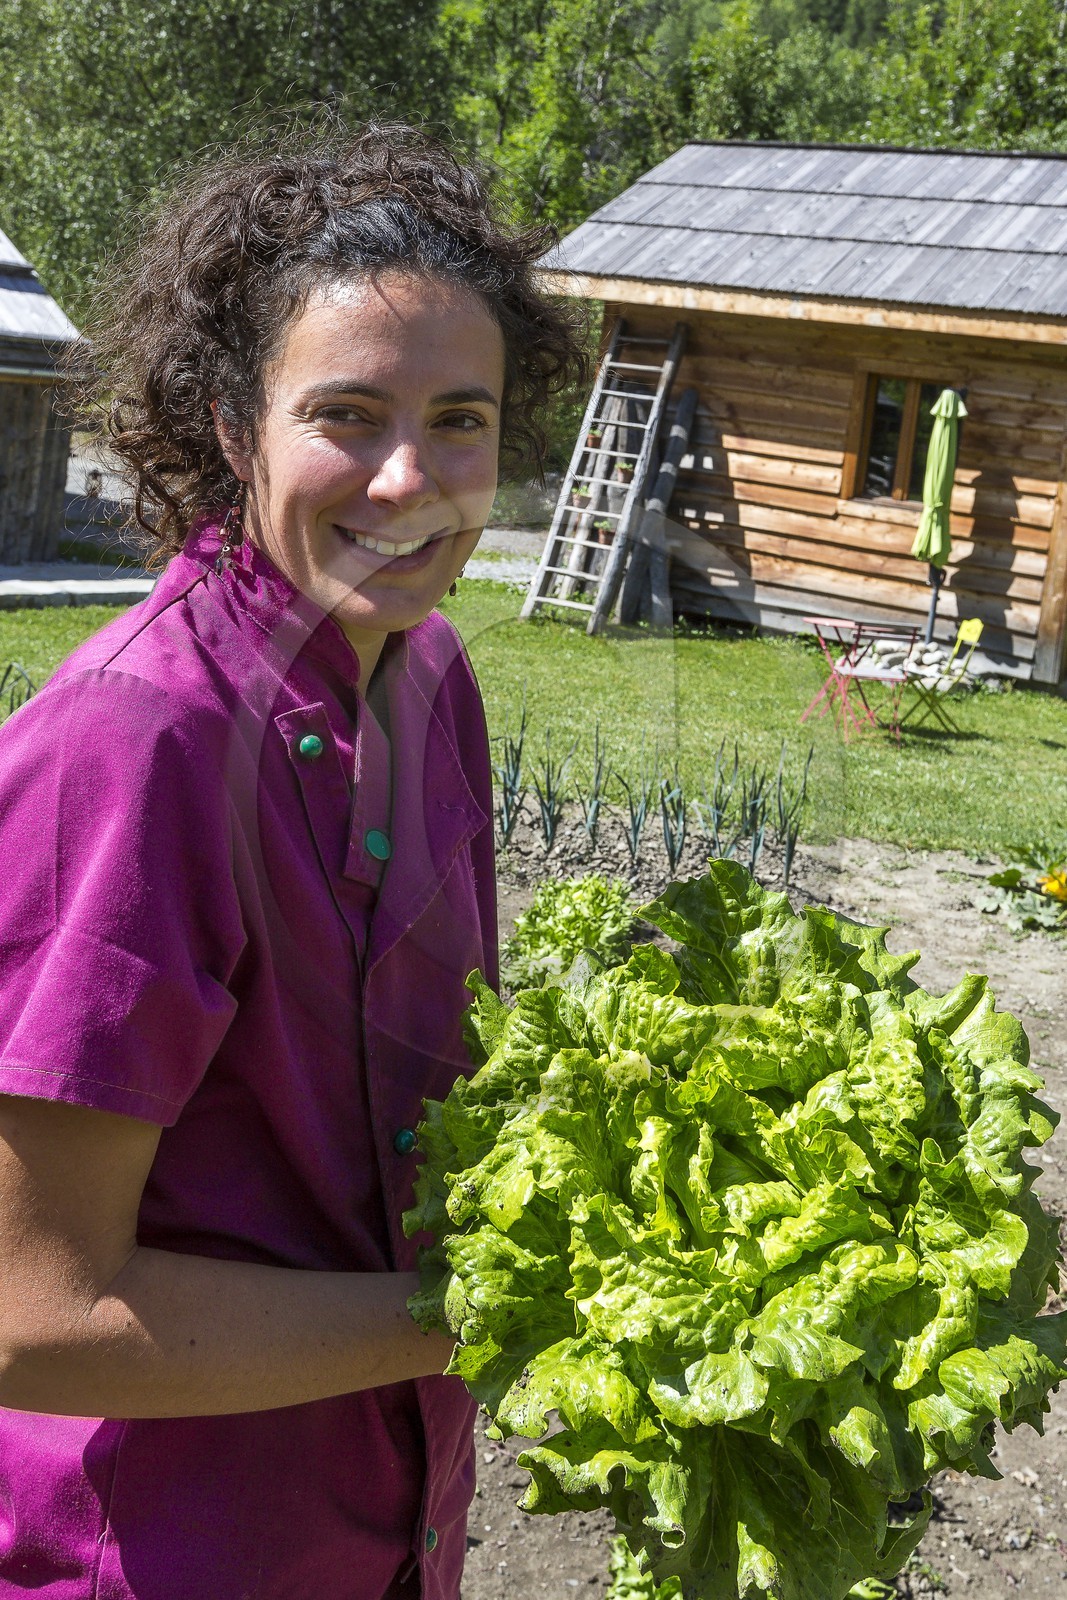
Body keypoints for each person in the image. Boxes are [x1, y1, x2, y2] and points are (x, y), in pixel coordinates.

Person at [0, 123, 585, 1599]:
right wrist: (485, 1310)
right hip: (163, 1550)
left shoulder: (430, 671)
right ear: (226, 420)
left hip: (387, 1519)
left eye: (460, 419)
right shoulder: (140, 747)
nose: (410, 479)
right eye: (345, 414)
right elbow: (31, 1308)